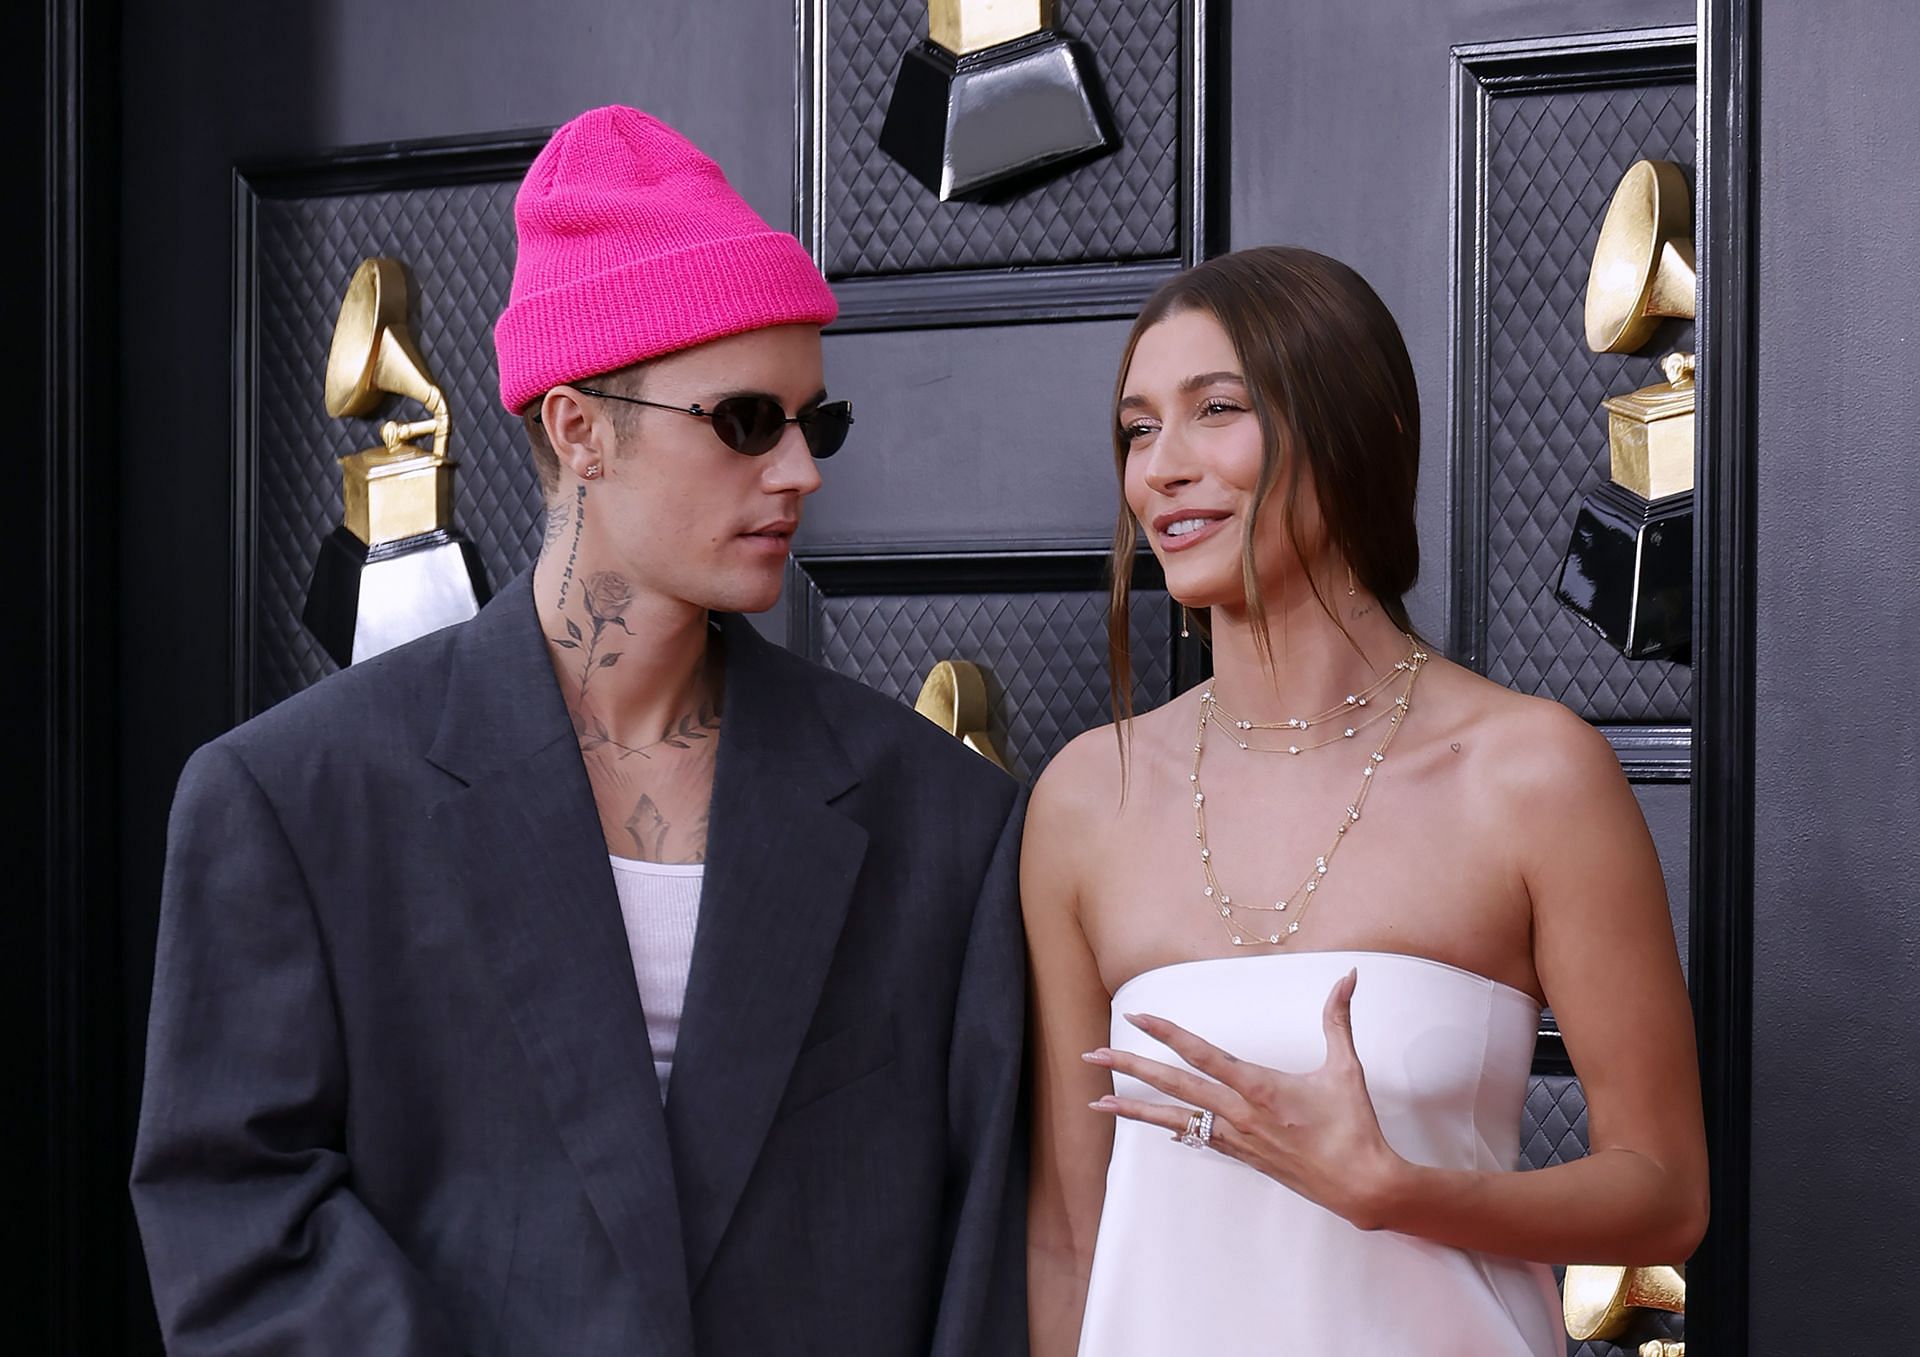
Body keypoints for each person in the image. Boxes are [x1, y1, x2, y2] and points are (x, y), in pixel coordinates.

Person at [132, 106, 1027, 1356]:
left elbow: (985, 1252)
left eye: (812, 422)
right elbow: (235, 1216)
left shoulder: (941, 821)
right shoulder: (293, 801)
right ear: (577, 428)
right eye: (745, 421)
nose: (800, 473)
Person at [1021, 246, 1709, 1355]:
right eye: (1138, 428)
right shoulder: (1086, 798)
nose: (1162, 467)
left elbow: (1665, 1189)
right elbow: (1068, 1232)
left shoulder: (1530, 773)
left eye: (1219, 410)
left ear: (1356, 433)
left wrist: (1393, 1190)